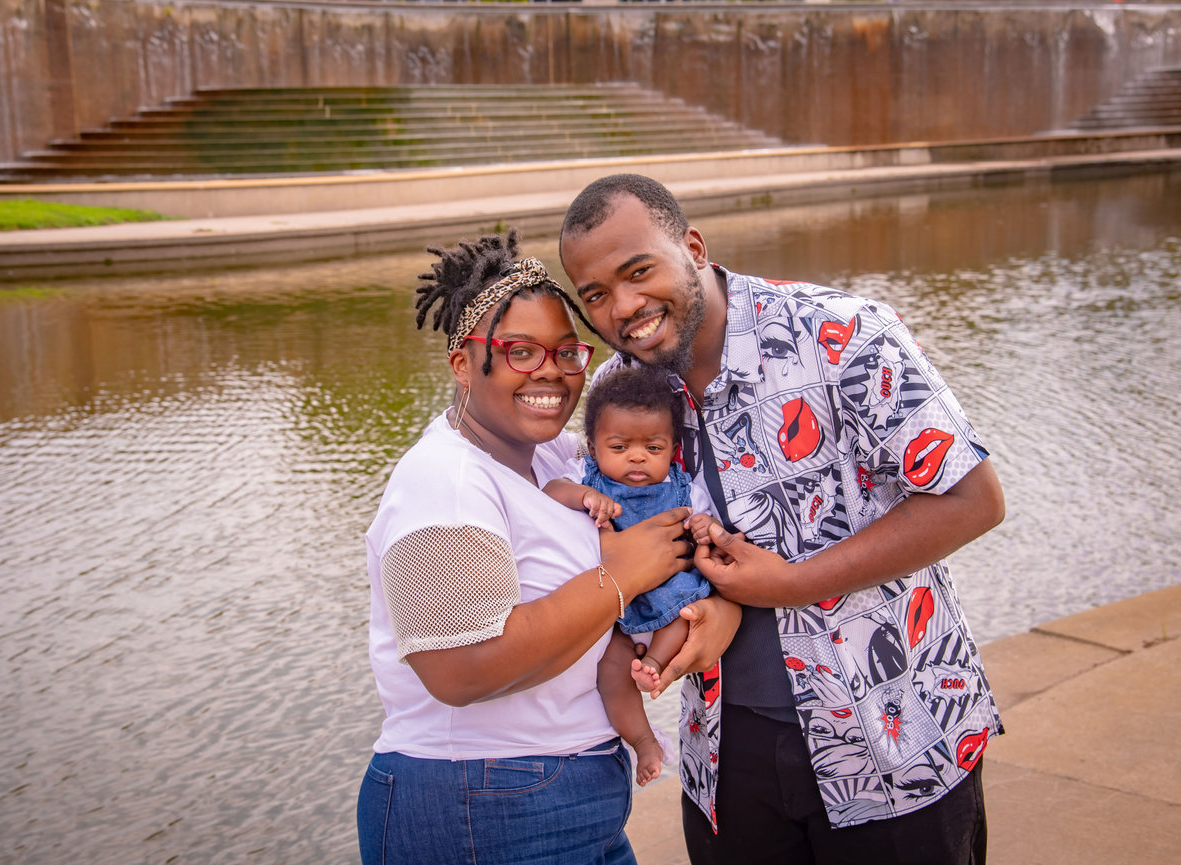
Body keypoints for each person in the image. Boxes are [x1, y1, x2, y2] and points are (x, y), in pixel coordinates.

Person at [558, 174, 1006, 865]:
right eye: (596, 295)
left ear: (694, 247)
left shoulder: (843, 336)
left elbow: (973, 498)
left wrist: (791, 582)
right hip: (729, 761)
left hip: (895, 744)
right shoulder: (617, 397)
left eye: (638, 270)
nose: (624, 307)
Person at [356, 230, 742, 865]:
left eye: (568, 352)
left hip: (571, 793)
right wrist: (620, 577)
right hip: (476, 803)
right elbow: (459, 670)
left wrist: (712, 607)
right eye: (520, 351)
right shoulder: (446, 480)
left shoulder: (556, 457)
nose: (552, 373)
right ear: (462, 363)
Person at [544, 365, 724, 701]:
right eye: (620, 447)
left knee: (687, 609)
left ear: (672, 451)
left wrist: (705, 527)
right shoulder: (585, 474)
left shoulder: (684, 489)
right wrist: (584, 496)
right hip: (608, 596)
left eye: (653, 448)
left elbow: (709, 523)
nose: (637, 456)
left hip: (668, 587)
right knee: (611, 665)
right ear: (594, 449)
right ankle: (642, 741)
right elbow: (552, 490)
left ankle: (654, 664)